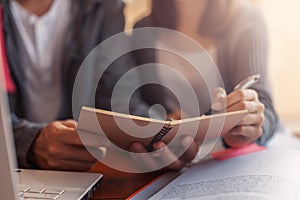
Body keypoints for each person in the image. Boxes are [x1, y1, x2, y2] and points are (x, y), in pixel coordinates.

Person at [0, 0, 198, 171]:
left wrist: (163, 135)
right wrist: (31, 142)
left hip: (82, 174)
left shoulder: (104, 6)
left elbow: (119, 99)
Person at [132, 0, 278, 148]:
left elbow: (267, 110)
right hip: (174, 152)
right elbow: (139, 103)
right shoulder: (142, 29)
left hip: (229, 153)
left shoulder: (247, 19)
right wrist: (162, 124)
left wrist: (250, 126)